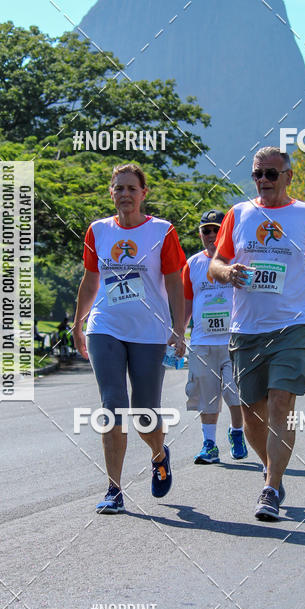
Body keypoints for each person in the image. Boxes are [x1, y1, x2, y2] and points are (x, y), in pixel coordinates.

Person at [210, 146, 305, 521]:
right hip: (247, 328)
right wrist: (226, 273)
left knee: (280, 403)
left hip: (294, 324)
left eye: (271, 174)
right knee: (253, 414)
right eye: (258, 174)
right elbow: (216, 263)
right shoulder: (238, 214)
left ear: (288, 176)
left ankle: (271, 487)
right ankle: (272, 467)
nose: (263, 181)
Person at [73, 163, 186, 514]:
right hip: (105, 326)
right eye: (118, 188)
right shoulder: (98, 231)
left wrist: (178, 329)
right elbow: (91, 280)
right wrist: (79, 323)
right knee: (113, 406)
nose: (124, 194)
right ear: (111, 193)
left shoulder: (162, 231)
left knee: (145, 413)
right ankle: (114, 489)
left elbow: (173, 283)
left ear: (143, 193)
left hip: (149, 332)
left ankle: (158, 454)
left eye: (131, 188)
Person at [182, 209, 246, 464]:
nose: (211, 234)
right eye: (205, 230)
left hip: (233, 341)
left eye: (216, 229)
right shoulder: (192, 264)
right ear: (200, 234)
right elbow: (186, 302)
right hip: (202, 342)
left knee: (235, 394)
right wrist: (177, 333)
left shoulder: (238, 260)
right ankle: (209, 445)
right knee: (206, 397)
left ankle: (237, 433)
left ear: (226, 232)